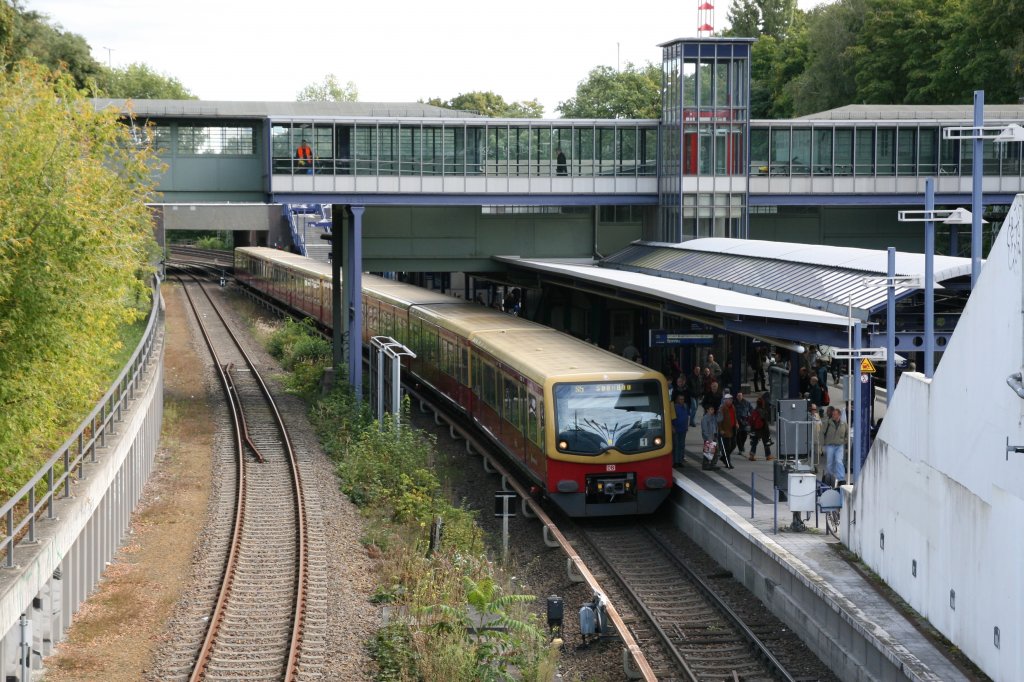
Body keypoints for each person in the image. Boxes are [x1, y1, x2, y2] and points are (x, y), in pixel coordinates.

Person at [823, 407, 849, 484]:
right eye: (833, 414)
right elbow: (822, 432)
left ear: (839, 415)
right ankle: (830, 477)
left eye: (835, 414)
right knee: (830, 462)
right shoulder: (828, 422)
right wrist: (823, 443)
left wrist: (844, 441)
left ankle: (841, 479)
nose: (833, 415)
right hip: (830, 445)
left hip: (839, 446)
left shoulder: (844, 424)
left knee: (839, 461)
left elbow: (847, 434)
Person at [747, 394, 773, 461]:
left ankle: (752, 455)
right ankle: (768, 455)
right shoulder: (764, 411)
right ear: (763, 403)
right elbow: (766, 421)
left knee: (754, 443)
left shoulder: (754, 411)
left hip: (755, 429)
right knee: (766, 443)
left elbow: (750, 421)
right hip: (763, 430)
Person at [717, 392, 737, 469]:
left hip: (733, 428)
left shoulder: (733, 407)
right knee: (726, 447)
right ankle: (728, 463)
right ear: (725, 400)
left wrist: (736, 423)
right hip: (725, 430)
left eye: (731, 400)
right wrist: (721, 429)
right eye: (729, 400)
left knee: (733, 444)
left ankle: (723, 458)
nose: (731, 401)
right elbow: (719, 421)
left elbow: (734, 416)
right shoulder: (722, 408)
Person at [672, 393, 690, 468]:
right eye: (680, 399)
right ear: (677, 400)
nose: (682, 400)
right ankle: (675, 461)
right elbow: (672, 418)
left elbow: (687, 416)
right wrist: (672, 427)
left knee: (682, 445)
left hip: (683, 429)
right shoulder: (674, 407)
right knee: (676, 445)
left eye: (683, 399)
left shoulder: (685, 406)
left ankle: (680, 460)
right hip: (676, 429)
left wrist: (686, 426)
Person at [700, 404, 720, 470]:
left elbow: (716, 425)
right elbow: (704, 429)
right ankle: (705, 465)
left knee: (716, 451)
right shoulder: (705, 418)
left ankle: (712, 464)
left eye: (713, 409)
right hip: (709, 437)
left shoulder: (713, 417)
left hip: (714, 435)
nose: (712, 411)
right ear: (707, 410)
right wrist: (708, 438)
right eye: (711, 409)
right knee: (708, 451)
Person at [733, 390, 752, 457]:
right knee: (738, 435)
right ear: (736, 396)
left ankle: (742, 445)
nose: (739, 397)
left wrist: (751, 418)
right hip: (737, 421)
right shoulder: (734, 403)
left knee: (744, 435)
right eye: (738, 396)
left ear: (742, 396)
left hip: (744, 421)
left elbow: (751, 410)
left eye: (740, 395)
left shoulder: (747, 403)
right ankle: (740, 448)